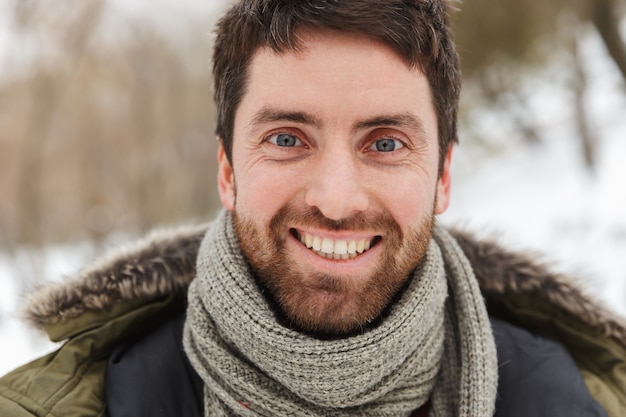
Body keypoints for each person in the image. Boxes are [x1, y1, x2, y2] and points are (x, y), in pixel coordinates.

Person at [1, 0, 625, 416]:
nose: (335, 198)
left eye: (385, 143)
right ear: (227, 171)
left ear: (442, 176)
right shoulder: (99, 401)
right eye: (286, 139)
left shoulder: (559, 399)